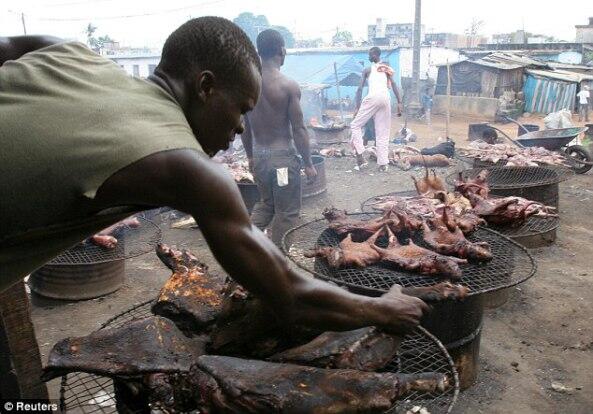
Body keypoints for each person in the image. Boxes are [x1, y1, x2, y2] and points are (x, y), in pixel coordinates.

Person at [0, 19, 427, 337]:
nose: (241, 127)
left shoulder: (71, 53)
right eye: (241, 108)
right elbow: (290, 297)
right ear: (205, 86)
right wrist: (380, 310)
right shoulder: (184, 166)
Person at [241, 29, 317, 247]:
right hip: (282, 164)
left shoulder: (249, 85)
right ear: (282, 51)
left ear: (259, 52)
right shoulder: (287, 85)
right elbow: (299, 129)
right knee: (287, 213)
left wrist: (250, 157)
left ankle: (245, 248)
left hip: (261, 158)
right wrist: (309, 164)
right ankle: (278, 263)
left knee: (266, 206)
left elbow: (244, 126)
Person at [350, 47, 403, 172]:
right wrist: (400, 102)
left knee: (355, 125)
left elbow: (359, 89)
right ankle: (383, 164)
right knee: (383, 132)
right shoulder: (385, 69)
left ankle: (360, 154)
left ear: (375, 55)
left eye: (370, 55)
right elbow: (394, 84)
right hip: (386, 98)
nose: (368, 57)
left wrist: (357, 106)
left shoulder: (367, 70)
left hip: (373, 97)